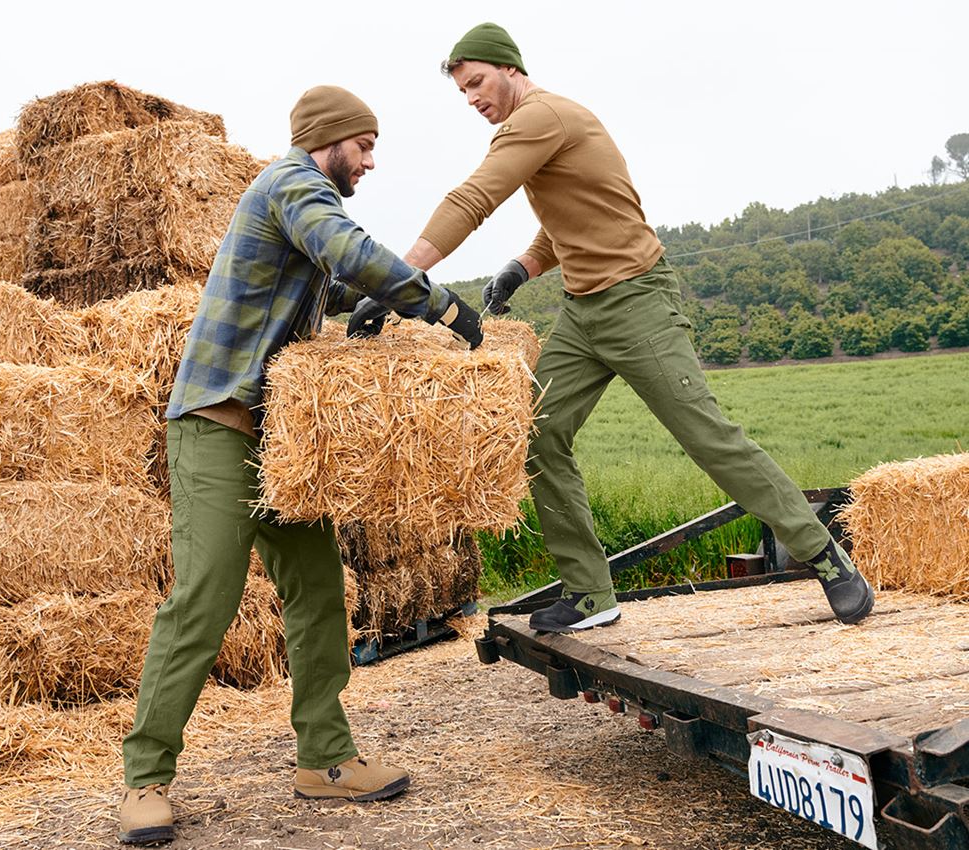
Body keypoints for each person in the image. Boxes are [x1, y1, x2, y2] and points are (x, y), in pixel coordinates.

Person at [351, 22, 873, 634]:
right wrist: (524, 266)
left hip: (637, 302)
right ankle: (590, 593)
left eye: (478, 82)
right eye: (462, 90)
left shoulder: (541, 117)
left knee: (708, 438)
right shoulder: (542, 125)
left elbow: (473, 200)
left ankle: (825, 556)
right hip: (582, 313)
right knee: (536, 434)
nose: (471, 98)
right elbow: (578, 213)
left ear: (511, 69)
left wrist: (397, 280)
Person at [118, 85, 483, 846]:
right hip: (215, 425)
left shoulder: (297, 200)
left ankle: (326, 759)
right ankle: (145, 779)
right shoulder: (293, 184)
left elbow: (330, 273)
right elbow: (346, 248)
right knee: (206, 598)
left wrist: (366, 301)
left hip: (273, 439)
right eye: (365, 146)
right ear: (329, 140)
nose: (371, 162)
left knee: (318, 590)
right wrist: (436, 303)